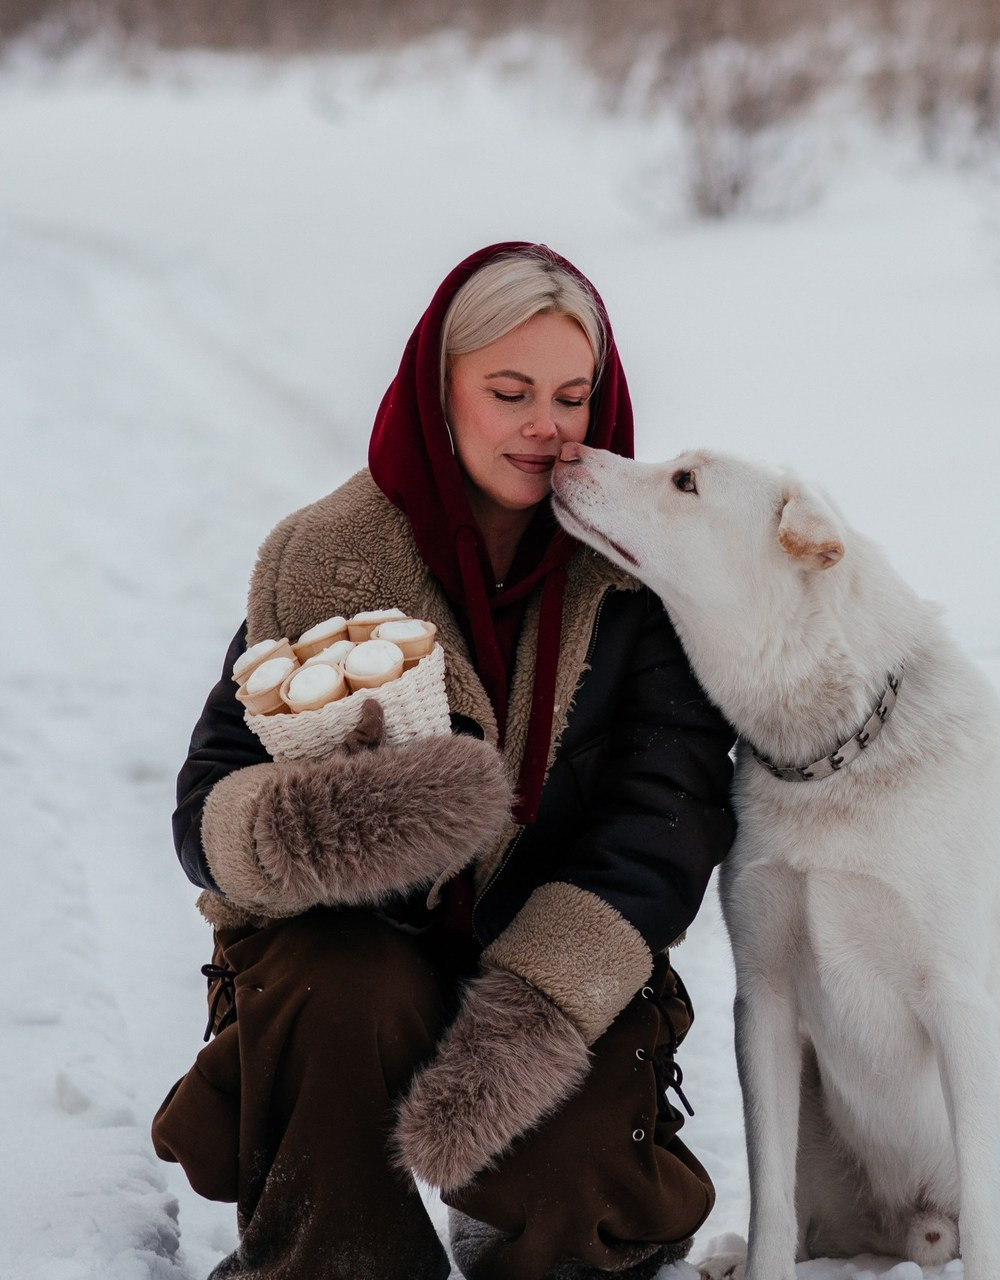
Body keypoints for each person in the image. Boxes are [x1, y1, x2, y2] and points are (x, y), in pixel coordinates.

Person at [151, 242, 738, 1280]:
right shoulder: (322, 556)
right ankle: (336, 1254)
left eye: (571, 396)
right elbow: (209, 802)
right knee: (341, 985)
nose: (545, 424)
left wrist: (542, 996)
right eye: (509, 392)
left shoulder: (642, 572)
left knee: (579, 1202)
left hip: (553, 946)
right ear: (440, 389)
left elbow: (671, 808)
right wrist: (330, 822)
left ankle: (530, 1215)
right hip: (360, 946)